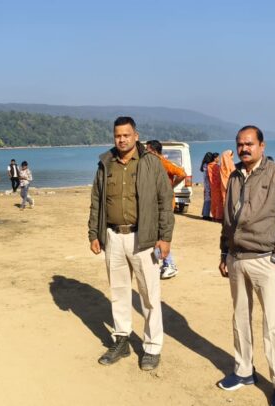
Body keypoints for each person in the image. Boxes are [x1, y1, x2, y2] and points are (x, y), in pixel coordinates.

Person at [217, 126, 275, 406]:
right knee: (240, 319)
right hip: (236, 259)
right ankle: (244, 371)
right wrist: (224, 252)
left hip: (265, 260)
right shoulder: (234, 176)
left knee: (273, 324)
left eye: (249, 144)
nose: (244, 149)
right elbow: (228, 219)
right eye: (240, 144)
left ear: (262, 146)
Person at [88, 117, 174, 371]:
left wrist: (165, 237)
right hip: (113, 236)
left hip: (144, 238)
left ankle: (152, 347)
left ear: (136, 136)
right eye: (118, 135)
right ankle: (122, 339)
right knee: (119, 292)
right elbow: (96, 200)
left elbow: (165, 200)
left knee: (149, 295)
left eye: (126, 135)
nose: (122, 139)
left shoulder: (151, 162)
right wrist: (93, 233)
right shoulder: (106, 163)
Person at [144, 140, 185, 279]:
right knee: (156, 234)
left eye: (148, 150)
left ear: (154, 151)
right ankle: (164, 263)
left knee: (161, 235)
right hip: (156, 203)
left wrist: (171, 186)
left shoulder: (163, 162)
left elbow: (182, 173)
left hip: (165, 204)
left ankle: (170, 264)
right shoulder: (153, 163)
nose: (146, 152)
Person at [208, 153, 223, 222]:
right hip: (217, 185)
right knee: (218, 201)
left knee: (214, 201)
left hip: (212, 185)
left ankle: (214, 216)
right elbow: (218, 175)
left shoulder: (209, 165)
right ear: (215, 158)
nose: (219, 159)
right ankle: (218, 217)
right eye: (218, 158)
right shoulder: (216, 166)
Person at [200, 152, 215, 220]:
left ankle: (205, 214)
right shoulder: (207, 165)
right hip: (208, 184)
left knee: (206, 199)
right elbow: (209, 176)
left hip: (206, 184)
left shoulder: (204, 165)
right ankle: (206, 215)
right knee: (208, 200)